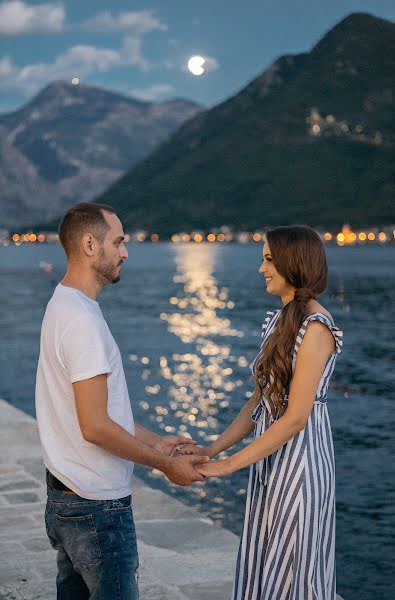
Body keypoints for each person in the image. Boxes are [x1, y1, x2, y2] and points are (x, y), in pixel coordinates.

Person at [35, 202, 209, 600]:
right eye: (119, 241)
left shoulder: (62, 304)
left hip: (67, 499)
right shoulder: (82, 321)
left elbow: (96, 412)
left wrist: (154, 441)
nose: (126, 251)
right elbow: (94, 426)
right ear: (90, 244)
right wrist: (166, 465)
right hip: (96, 509)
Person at [185, 225, 344, 599]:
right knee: (267, 561)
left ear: (294, 262)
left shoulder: (316, 327)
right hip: (272, 462)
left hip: (301, 465)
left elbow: (295, 417)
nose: (262, 269)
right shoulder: (280, 321)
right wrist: (212, 449)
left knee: (294, 570)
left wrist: (227, 466)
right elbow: (258, 404)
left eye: (269, 259)